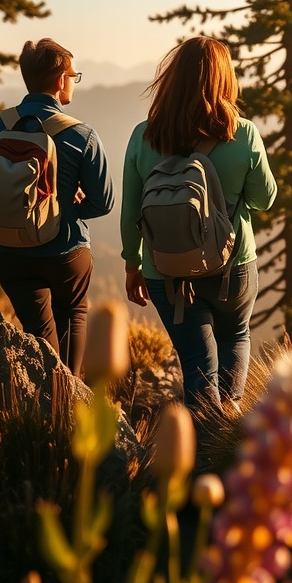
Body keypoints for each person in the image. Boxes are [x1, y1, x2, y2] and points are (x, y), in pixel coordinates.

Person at [119, 36, 277, 412]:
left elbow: (131, 212)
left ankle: (204, 452)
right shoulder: (243, 132)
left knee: (196, 366)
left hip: (166, 270)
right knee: (236, 334)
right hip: (232, 265)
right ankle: (228, 424)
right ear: (225, 79)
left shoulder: (144, 135)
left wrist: (132, 263)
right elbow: (264, 199)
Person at [0, 38, 113, 377]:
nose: (73, 80)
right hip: (65, 251)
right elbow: (104, 202)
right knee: (73, 314)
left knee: (39, 333)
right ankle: (71, 402)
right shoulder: (82, 135)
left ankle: (47, 396)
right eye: (74, 75)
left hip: (9, 252)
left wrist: (4, 200)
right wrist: (65, 210)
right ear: (60, 80)